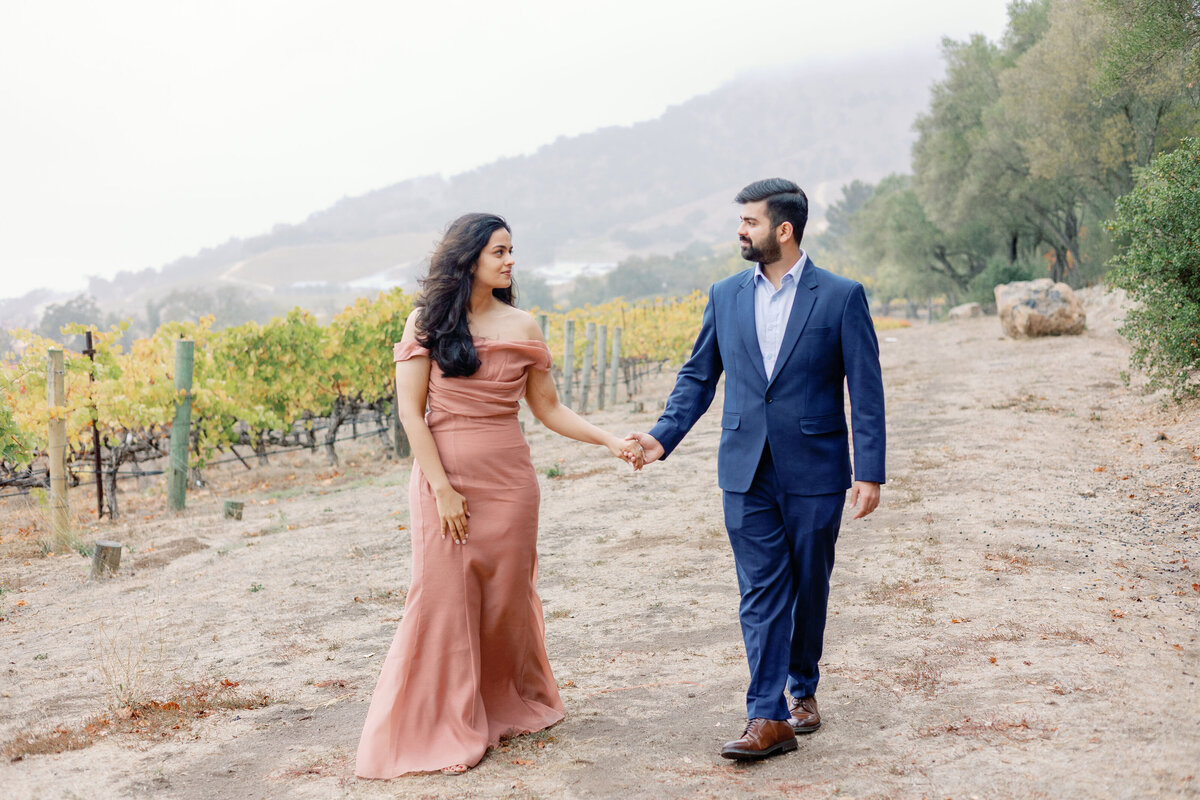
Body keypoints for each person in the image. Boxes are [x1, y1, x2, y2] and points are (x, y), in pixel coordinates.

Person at [356, 212, 643, 778]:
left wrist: (609, 440)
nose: (510, 261)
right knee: (440, 600)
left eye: (512, 251)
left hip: (510, 481)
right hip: (444, 481)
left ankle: (498, 705)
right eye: (499, 252)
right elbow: (412, 416)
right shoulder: (426, 322)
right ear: (468, 259)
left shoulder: (523, 326)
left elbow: (548, 408)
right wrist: (442, 490)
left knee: (505, 598)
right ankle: (438, 722)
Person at [627, 178, 885, 761]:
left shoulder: (842, 297)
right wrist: (660, 438)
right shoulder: (724, 295)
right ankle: (766, 715)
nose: (740, 230)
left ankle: (803, 686)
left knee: (809, 585)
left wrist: (869, 470)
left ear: (783, 230)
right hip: (745, 470)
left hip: (818, 469)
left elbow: (866, 392)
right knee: (762, 591)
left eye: (750, 221)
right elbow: (698, 377)